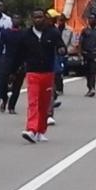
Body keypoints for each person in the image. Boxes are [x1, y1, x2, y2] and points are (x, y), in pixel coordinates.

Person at [19, 9, 65, 143]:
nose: (38, 20)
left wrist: (62, 49)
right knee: (33, 101)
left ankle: (40, 131)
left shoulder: (53, 32)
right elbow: (20, 53)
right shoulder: (26, 35)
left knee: (44, 104)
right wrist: (15, 70)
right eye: (35, 17)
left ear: (44, 18)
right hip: (32, 72)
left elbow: (61, 46)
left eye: (40, 17)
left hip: (47, 72)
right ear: (31, 19)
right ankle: (31, 129)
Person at [0, 14, 25, 113]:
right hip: (7, 60)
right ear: (11, 20)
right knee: (2, 84)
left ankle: (12, 106)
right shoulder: (5, 33)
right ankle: (4, 98)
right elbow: (0, 47)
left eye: (18, 18)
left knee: (17, 86)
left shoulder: (24, 34)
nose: (16, 20)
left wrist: (26, 61)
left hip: (20, 61)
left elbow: (27, 49)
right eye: (14, 18)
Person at [80, 13, 96, 97]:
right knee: (87, 72)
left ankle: (92, 88)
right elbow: (81, 42)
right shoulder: (85, 31)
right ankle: (89, 87)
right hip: (86, 54)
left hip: (95, 54)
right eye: (89, 18)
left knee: (93, 71)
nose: (90, 20)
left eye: (92, 19)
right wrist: (80, 53)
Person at [55, 13, 74, 95]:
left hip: (64, 54)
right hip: (54, 53)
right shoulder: (53, 29)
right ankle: (57, 88)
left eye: (62, 20)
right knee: (56, 71)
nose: (60, 22)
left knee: (61, 71)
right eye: (59, 20)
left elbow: (72, 43)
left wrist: (67, 51)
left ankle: (59, 88)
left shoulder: (69, 30)